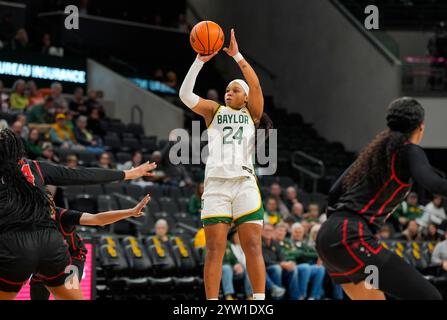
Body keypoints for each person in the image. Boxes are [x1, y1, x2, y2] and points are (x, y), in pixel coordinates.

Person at [0, 128, 157, 300]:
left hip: (15, 244)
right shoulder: (34, 168)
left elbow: (97, 219)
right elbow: (81, 175)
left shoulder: (57, 212)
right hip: (50, 245)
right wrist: (128, 174)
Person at [316, 97, 444, 300]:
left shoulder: (374, 152)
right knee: (430, 297)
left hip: (327, 238)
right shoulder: (409, 150)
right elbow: (435, 184)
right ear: (421, 127)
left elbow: (333, 193)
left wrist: (336, 230)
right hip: (351, 237)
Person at [179, 28, 270, 300]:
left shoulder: (253, 114)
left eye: (234, 90)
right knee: (215, 249)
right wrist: (199, 61)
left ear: (244, 97)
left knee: (252, 245)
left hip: (244, 184)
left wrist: (237, 55)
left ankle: (259, 301)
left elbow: (255, 85)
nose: (228, 93)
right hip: (217, 186)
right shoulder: (213, 111)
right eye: (227, 90)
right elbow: (185, 95)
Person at [30, 194, 150, 300]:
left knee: (67, 292)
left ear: (52, 207)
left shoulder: (64, 215)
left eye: (49, 208)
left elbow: (97, 219)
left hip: (72, 258)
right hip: (45, 261)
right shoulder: (29, 221)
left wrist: (131, 212)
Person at [289, 223, 325, 300]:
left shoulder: (304, 245)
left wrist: (304, 254)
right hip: (294, 266)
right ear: (292, 232)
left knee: (320, 268)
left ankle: (314, 296)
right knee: (306, 267)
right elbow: (296, 254)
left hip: (305, 267)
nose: (298, 234)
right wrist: (304, 254)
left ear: (303, 234)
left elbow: (315, 253)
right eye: (296, 232)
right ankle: (302, 296)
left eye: (300, 232)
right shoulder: (288, 242)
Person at [262, 223, 298, 300]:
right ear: (261, 231)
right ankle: (277, 297)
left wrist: (286, 263)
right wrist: (281, 264)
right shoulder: (259, 242)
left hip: (277, 266)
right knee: (277, 268)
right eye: (266, 230)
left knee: (293, 269)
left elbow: (282, 257)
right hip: (264, 270)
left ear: (273, 232)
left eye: (270, 230)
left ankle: (295, 297)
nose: (268, 232)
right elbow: (266, 261)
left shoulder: (274, 243)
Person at [221, 229, 253, 300]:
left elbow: (233, 258)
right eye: (237, 236)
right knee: (227, 268)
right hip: (218, 270)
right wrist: (233, 265)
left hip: (232, 270)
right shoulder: (211, 243)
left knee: (248, 268)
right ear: (232, 237)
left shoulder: (228, 244)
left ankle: (249, 295)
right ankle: (228, 296)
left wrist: (237, 264)